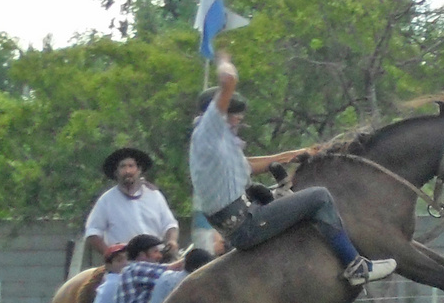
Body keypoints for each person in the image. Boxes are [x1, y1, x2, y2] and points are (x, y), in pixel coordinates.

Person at [192, 48, 394, 289]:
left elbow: (247, 166)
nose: (239, 120)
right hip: (247, 224)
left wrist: (295, 155)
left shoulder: (212, 143)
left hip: (239, 219)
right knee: (320, 197)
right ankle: (356, 266)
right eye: (234, 114)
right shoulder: (210, 128)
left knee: (286, 194)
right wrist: (224, 60)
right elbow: (229, 80)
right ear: (218, 112)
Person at [82, 146, 180, 262]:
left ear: (139, 170)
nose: (127, 171)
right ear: (116, 172)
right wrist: (112, 256)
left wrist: (172, 241)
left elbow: (170, 225)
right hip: (126, 266)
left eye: (131, 166)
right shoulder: (107, 200)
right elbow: (93, 233)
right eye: (123, 167)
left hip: (157, 261)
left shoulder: (154, 196)